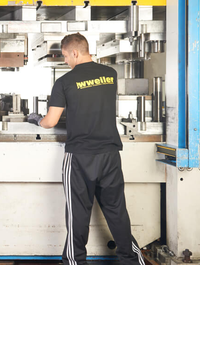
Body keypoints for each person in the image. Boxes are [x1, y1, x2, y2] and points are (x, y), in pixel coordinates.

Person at [28, 33, 144, 265]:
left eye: (65, 56)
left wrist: (36, 119)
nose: (65, 61)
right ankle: (132, 261)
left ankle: (76, 263)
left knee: (78, 214)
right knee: (117, 211)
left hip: (80, 156)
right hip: (110, 155)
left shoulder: (64, 82)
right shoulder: (110, 74)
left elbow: (51, 121)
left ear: (74, 52)